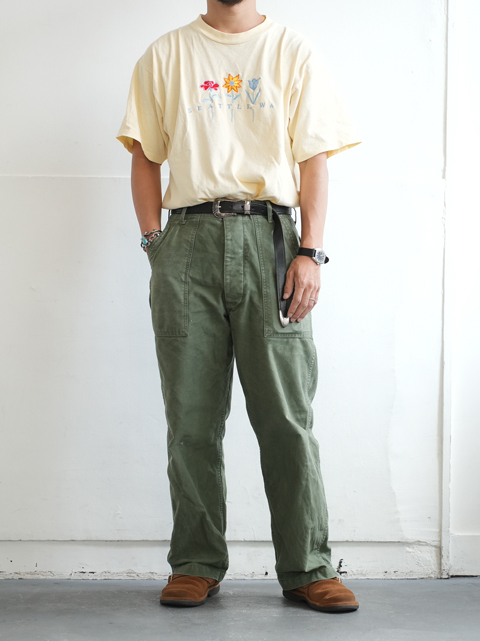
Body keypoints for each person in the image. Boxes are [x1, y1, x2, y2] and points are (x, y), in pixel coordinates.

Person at [116, 0, 362, 612]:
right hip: (187, 242)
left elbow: (313, 159)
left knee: (286, 416)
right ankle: (195, 563)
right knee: (191, 419)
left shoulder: (292, 51)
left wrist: (311, 251)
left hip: (270, 241)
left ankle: (308, 567)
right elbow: (145, 155)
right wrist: (154, 243)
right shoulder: (166, 54)